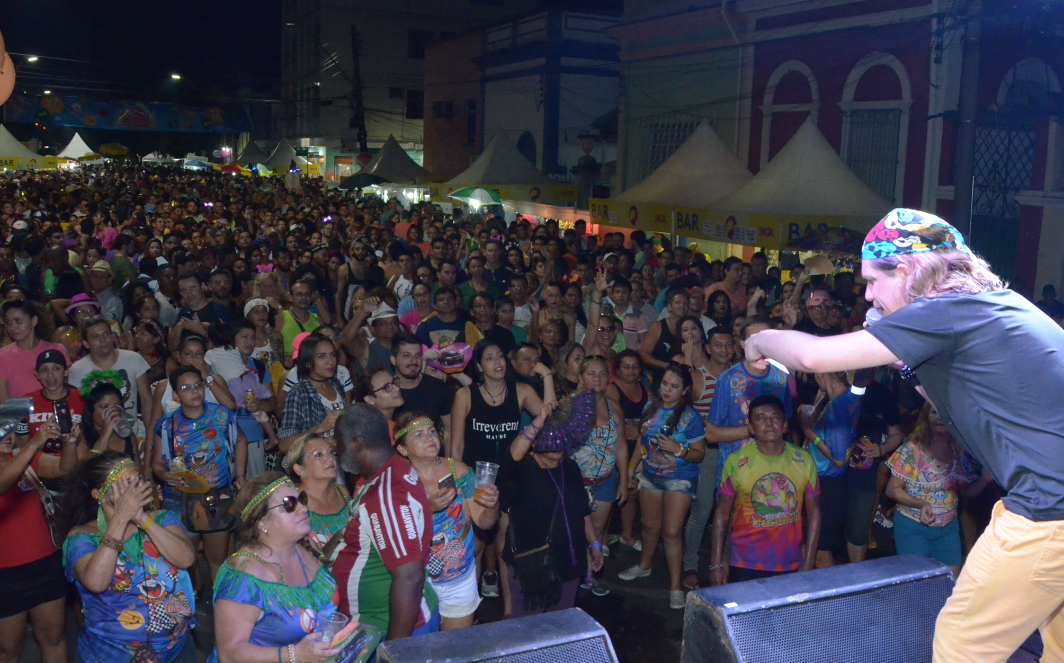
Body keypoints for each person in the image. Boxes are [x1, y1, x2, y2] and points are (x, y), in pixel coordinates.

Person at [742, 208, 1064, 662]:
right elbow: (955, 397)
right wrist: (905, 361)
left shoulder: (943, 310)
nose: (868, 294)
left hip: (1050, 510)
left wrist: (760, 340)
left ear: (910, 269)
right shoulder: (990, 305)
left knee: (963, 643)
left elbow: (814, 357)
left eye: (874, 280)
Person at [61, 453, 197, 663]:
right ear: (99, 494)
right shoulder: (82, 537)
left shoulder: (162, 519)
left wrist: (141, 518)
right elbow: (96, 582)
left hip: (174, 652)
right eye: (126, 482)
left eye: (138, 479)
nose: (137, 488)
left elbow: (186, 559)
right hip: (110, 656)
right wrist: (121, 518)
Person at [449, 340, 547, 607]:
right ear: (479, 366)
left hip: (510, 476)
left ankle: (508, 608)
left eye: (501, 356)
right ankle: (471, 607)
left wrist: (547, 376)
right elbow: (456, 445)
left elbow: (550, 418)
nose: (498, 362)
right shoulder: (466, 395)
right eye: (490, 358)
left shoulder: (522, 391)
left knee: (506, 544)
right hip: (476, 478)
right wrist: (456, 485)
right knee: (476, 546)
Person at [331, 403, 440, 639]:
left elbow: (409, 576)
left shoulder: (385, 494)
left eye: (339, 443)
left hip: (388, 626)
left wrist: (394, 649)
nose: (337, 451)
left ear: (358, 443)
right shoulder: (391, 470)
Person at [210, 472, 341, 663]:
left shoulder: (306, 546)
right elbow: (229, 653)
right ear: (261, 522)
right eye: (289, 504)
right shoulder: (243, 575)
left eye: (301, 499)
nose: (303, 508)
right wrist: (294, 655)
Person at [394, 412, 500, 630]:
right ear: (402, 449)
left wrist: (492, 506)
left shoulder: (458, 470)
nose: (429, 438)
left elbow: (484, 522)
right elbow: (395, 536)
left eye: (432, 431)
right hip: (417, 582)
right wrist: (428, 509)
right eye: (418, 435)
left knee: (456, 649)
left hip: (458, 578)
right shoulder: (399, 483)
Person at [500, 399, 603, 616]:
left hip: (569, 562)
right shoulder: (523, 468)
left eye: (559, 436)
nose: (556, 442)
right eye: (548, 436)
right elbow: (513, 455)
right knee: (526, 631)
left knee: (560, 627)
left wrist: (594, 543)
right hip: (532, 565)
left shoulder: (571, 467)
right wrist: (540, 419)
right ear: (535, 441)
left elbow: (581, 511)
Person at [618, 363, 706, 610]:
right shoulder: (650, 406)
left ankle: (675, 586)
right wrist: (629, 469)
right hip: (650, 475)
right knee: (648, 526)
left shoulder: (691, 417)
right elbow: (641, 445)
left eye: (675, 386)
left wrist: (678, 449)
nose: (668, 390)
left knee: (670, 532)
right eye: (665, 384)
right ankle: (645, 566)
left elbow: (699, 454)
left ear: (685, 390)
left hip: (680, 478)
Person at [709, 395, 821, 585]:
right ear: (751, 428)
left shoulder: (804, 461)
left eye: (775, 417)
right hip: (745, 561)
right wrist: (716, 564)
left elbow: (815, 513)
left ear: (785, 425)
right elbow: (721, 515)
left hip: (790, 563)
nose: (769, 423)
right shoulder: (737, 462)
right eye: (761, 418)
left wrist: (809, 562)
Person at [153, 365, 247, 584]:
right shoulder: (167, 424)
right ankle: (190, 604)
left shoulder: (222, 415)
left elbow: (241, 440)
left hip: (217, 498)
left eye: (198, 385)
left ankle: (219, 610)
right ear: (175, 395)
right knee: (185, 560)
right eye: (186, 388)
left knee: (218, 560)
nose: (195, 391)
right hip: (179, 499)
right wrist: (165, 475)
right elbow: (157, 463)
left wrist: (239, 475)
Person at [0, 405, 78, 663]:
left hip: (45, 564)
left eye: (8, 428)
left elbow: (65, 469)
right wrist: (33, 443)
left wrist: (69, 442)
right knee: (9, 650)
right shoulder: (24, 456)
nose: (7, 435)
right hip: (5, 575)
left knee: (54, 639)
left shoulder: (25, 460)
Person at [887, 403, 993, 575]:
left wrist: (984, 479)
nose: (938, 417)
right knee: (920, 585)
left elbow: (967, 493)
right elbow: (892, 489)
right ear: (926, 418)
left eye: (943, 413)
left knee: (950, 582)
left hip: (948, 529)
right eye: (933, 413)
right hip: (914, 527)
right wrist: (920, 504)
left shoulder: (958, 450)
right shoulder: (914, 449)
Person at [677, 328, 734, 589]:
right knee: (702, 511)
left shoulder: (741, 376)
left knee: (732, 511)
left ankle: (724, 563)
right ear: (708, 348)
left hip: (736, 451)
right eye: (718, 345)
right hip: (710, 453)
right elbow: (682, 414)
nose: (723, 350)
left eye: (727, 345)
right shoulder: (698, 378)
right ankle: (690, 566)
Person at [569, 355, 626, 597]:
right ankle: (571, 578)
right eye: (591, 373)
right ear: (580, 378)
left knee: (598, 529)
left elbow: (621, 444)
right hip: (574, 482)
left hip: (604, 480)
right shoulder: (568, 406)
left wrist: (624, 479)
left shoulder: (614, 406)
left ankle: (589, 578)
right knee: (574, 531)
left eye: (602, 374)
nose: (597, 378)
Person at [798, 371, 859, 568]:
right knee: (810, 549)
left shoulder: (837, 406)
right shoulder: (849, 397)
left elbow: (840, 459)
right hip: (834, 484)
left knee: (820, 554)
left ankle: (834, 598)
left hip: (828, 487)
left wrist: (809, 431)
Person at [208, 320, 279, 481]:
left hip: (254, 439)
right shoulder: (216, 365)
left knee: (255, 488)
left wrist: (260, 404)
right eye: (244, 337)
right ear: (232, 340)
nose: (250, 342)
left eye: (253, 338)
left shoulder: (259, 367)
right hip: (225, 439)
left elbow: (273, 401)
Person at [68, 316, 152, 431]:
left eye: (106, 334)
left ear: (113, 336)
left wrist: (150, 438)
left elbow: (146, 400)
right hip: (95, 436)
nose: (103, 340)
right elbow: (77, 409)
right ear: (86, 343)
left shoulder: (133, 359)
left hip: (131, 431)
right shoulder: (78, 369)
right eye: (95, 337)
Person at [605, 350, 649, 550]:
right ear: (618, 370)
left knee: (631, 493)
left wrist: (638, 428)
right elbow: (608, 418)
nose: (631, 371)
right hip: (616, 445)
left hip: (638, 447)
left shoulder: (647, 390)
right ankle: (602, 537)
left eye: (635, 366)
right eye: (626, 367)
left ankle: (627, 534)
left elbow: (656, 416)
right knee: (609, 493)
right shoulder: (612, 390)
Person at [16, 349, 87, 462]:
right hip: (38, 468)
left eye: (56, 368)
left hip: (76, 467)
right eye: (44, 370)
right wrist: (39, 439)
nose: (50, 374)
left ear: (66, 371)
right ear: (37, 374)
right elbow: (21, 447)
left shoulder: (82, 398)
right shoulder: (25, 402)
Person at [284, 435, 350, 552]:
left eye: (331, 452)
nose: (330, 459)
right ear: (300, 469)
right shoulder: (294, 502)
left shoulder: (342, 492)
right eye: (319, 455)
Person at [0, 300, 71, 402]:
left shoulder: (56, 350)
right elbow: (3, 403)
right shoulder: (3, 356)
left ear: (34, 321)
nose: (13, 327)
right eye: (9, 323)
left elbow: (65, 391)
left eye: (18, 321)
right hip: (20, 416)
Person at [391, 334, 452, 442]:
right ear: (393, 360)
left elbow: (449, 430)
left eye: (418, 355)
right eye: (406, 355)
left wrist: (448, 459)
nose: (414, 361)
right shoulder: (387, 392)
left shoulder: (437, 387)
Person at [639, 286, 688, 386]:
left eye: (685, 303)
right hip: (661, 379)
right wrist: (665, 365)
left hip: (684, 381)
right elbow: (644, 355)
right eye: (678, 303)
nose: (682, 306)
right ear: (669, 306)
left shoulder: (691, 328)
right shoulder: (658, 327)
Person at [276, 280, 322, 360]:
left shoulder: (317, 319)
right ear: (290, 297)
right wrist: (284, 359)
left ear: (311, 297)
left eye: (307, 294)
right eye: (299, 294)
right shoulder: (281, 318)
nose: (304, 298)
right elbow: (274, 348)